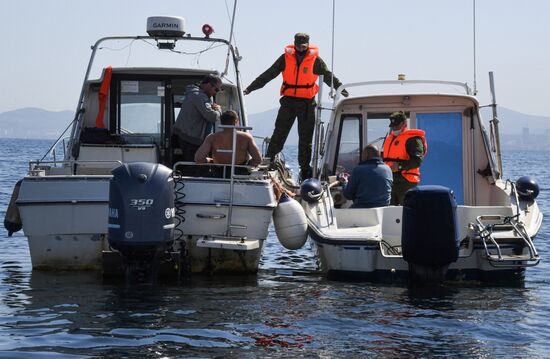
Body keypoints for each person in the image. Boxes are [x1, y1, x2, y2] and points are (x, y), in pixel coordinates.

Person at [243, 32, 348, 180]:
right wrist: (250, 88)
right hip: (289, 102)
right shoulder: (285, 58)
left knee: (306, 139)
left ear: (307, 45)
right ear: (294, 44)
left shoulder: (315, 60)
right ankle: (269, 159)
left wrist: (341, 89)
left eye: (303, 46)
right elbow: (269, 74)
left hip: (307, 103)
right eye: (298, 46)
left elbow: (329, 76)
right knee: (279, 132)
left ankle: (305, 169)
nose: (300, 49)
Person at [173, 74, 223, 161]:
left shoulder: (202, 96)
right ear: (208, 85)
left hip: (192, 139)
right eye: (216, 89)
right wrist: (219, 110)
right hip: (191, 141)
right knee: (196, 167)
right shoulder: (199, 96)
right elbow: (212, 116)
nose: (216, 93)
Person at [382, 111, 427, 205]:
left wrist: (399, 166)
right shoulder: (389, 139)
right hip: (390, 180)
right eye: (393, 125)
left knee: (406, 210)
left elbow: (417, 161)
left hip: (406, 181)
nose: (394, 128)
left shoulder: (413, 139)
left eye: (397, 125)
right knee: (389, 211)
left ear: (404, 123)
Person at [194, 110, 262, 167]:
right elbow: (258, 159)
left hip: (218, 174)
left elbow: (198, 158)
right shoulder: (246, 137)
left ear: (221, 122)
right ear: (236, 121)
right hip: (239, 173)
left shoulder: (211, 138)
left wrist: (210, 160)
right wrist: (248, 164)